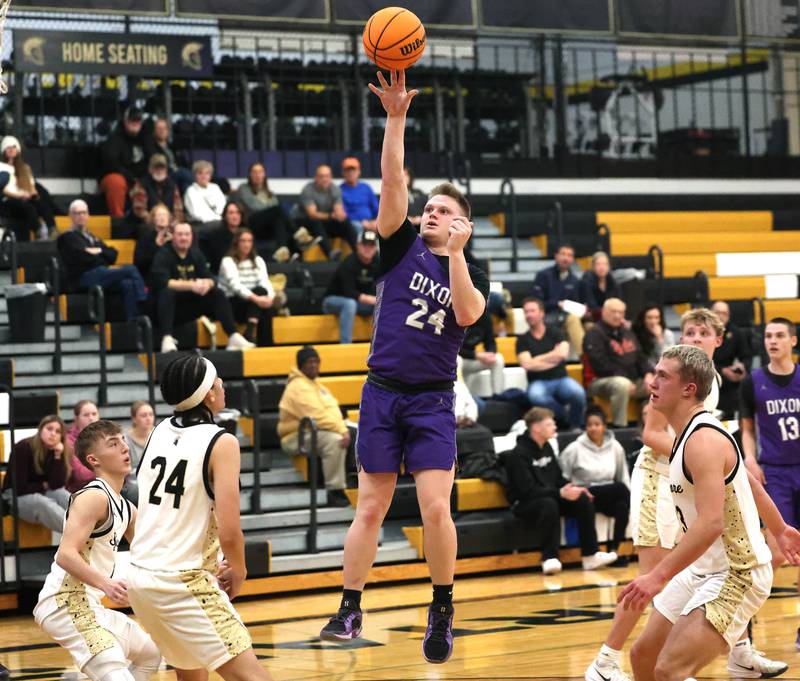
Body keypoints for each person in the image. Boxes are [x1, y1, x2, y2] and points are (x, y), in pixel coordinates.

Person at [319, 70, 489, 665]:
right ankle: (348, 605)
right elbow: (393, 179)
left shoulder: (471, 269)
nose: (431, 214)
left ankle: (441, 606)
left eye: (444, 210)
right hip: (382, 393)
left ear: (463, 222)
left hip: (433, 399)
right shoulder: (398, 244)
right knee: (370, 506)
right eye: (429, 208)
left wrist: (458, 253)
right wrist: (395, 116)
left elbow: (467, 314)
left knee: (437, 507)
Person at [586, 308, 788, 681]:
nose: (651, 383)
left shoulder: (703, 438)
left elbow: (716, 516)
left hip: (737, 569)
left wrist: (778, 528)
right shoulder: (689, 429)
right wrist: (781, 528)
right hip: (692, 542)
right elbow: (654, 435)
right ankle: (608, 658)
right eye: (688, 332)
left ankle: (734, 651)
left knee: (666, 662)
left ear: (688, 387)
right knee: (644, 656)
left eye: (661, 376)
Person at [126, 354, 273, 680]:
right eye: (217, 380)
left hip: (140, 577)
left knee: (191, 674)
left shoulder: (158, 430)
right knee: (254, 677)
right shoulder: (222, 442)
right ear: (208, 392)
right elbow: (230, 530)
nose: (223, 386)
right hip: (183, 580)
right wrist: (239, 569)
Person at [33, 420, 162, 681]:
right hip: (66, 602)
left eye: (123, 440)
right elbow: (65, 554)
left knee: (150, 655)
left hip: (90, 604)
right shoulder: (93, 497)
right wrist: (108, 584)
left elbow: (154, 553)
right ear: (94, 460)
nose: (124, 447)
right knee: (114, 669)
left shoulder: (126, 507)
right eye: (113, 444)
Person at [740, 318, 800, 648]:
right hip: (774, 470)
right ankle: (743, 620)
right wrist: (750, 458)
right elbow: (747, 428)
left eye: (779, 336)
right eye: (768, 336)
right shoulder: (754, 382)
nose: (772, 341)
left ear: (792, 340)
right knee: (775, 551)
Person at [503, 407, 618, 575]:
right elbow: (527, 492)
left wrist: (574, 488)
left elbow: (557, 479)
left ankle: (590, 555)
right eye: (550, 424)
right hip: (524, 503)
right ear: (535, 428)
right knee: (549, 504)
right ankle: (549, 557)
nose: (555, 427)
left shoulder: (547, 447)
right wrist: (559, 493)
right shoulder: (518, 455)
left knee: (582, 499)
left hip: (548, 497)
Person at [150, 222, 254, 353]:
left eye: (187, 234)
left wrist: (207, 284)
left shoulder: (196, 254)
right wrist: (192, 285)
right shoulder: (164, 254)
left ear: (192, 237)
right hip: (168, 309)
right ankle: (167, 338)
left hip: (190, 307)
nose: (184, 238)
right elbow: (164, 283)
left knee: (217, 293)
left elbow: (211, 278)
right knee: (167, 293)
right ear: (173, 237)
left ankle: (233, 335)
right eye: (180, 234)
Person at [277, 346, 350, 507]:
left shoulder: (317, 385)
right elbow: (315, 415)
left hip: (314, 431)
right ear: (301, 365)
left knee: (356, 431)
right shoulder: (297, 386)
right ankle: (335, 491)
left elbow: (332, 410)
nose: (314, 365)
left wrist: (343, 426)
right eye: (310, 362)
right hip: (296, 437)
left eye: (317, 361)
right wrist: (341, 429)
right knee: (335, 440)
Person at [57, 199, 147, 321]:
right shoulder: (67, 237)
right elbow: (82, 258)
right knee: (130, 269)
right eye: (77, 213)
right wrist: (100, 255)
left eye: (84, 212)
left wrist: (97, 251)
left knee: (128, 284)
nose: (81, 216)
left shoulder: (92, 237)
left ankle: (133, 323)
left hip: (100, 273)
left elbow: (113, 254)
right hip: (82, 278)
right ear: (70, 215)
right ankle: (143, 299)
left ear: (88, 215)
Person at [559, 405, 630, 556]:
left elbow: (622, 475)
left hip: (607, 497)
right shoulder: (574, 449)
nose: (593, 428)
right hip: (584, 496)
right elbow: (562, 476)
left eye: (597, 424)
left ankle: (614, 552)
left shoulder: (616, 447)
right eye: (589, 425)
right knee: (621, 489)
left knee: (622, 506)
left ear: (604, 427)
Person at [516, 297, 586, 430]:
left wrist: (536, 360)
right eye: (526, 312)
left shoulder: (556, 332)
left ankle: (576, 426)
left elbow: (562, 354)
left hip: (560, 379)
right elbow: (527, 365)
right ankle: (564, 415)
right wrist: (552, 357)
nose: (529, 315)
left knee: (578, 393)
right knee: (536, 396)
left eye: (532, 311)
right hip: (538, 381)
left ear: (542, 313)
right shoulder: (522, 340)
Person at [583, 298, 653, 428]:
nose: (617, 315)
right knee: (622, 385)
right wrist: (627, 380)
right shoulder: (594, 334)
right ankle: (619, 427)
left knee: (658, 384)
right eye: (613, 312)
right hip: (599, 381)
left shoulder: (627, 332)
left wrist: (648, 373)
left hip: (630, 380)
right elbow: (601, 365)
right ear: (604, 312)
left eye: (621, 312)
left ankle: (650, 427)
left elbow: (640, 357)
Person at [2, 415, 71, 532]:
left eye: (58, 432)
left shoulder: (55, 452)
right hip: (13, 498)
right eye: (49, 429)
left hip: (38, 492)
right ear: (40, 430)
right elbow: (19, 488)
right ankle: (80, 535)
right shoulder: (23, 447)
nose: (53, 434)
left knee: (62, 494)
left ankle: (94, 528)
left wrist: (58, 456)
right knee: (40, 502)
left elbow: (56, 484)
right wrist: (43, 485)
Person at [218, 228, 280, 346]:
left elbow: (265, 281)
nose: (246, 244)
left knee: (262, 294)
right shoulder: (227, 261)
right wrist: (257, 299)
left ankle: (252, 332)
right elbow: (235, 286)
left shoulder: (258, 260)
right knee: (260, 299)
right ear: (237, 243)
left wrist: (269, 299)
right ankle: (266, 342)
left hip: (253, 305)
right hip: (233, 304)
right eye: (243, 241)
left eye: (249, 241)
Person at [321, 229, 379, 344]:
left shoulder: (378, 262)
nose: (368, 249)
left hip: (360, 303)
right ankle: (346, 345)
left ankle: (380, 344)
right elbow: (348, 292)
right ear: (358, 246)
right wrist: (373, 299)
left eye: (371, 246)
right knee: (349, 304)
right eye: (365, 245)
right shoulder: (349, 263)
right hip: (333, 301)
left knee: (385, 305)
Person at [292, 164, 357, 259]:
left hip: (323, 223)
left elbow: (338, 210)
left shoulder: (335, 189)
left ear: (331, 177)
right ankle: (330, 253)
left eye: (327, 176)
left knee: (345, 222)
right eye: (321, 176)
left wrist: (340, 214)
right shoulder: (308, 189)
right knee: (315, 221)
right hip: (304, 224)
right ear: (316, 178)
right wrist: (332, 216)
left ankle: (359, 252)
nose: (324, 179)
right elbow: (312, 214)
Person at [231, 161, 291, 262]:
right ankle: (299, 234)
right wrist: (270, 211)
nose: (257, 175)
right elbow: (254, 206)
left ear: (264, 174)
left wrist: (270, 212)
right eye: (254, 172)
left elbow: (273, 213)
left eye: (260, 172)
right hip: (250, 222)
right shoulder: (244, 188)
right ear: (250, 175)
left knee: (279, 221)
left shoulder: (268, 192)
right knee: (278, 210)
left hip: (265, 228)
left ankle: (282, 252)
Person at [531, 243, 584, 355]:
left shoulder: (574, 280)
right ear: (556, 256)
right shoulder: (543, 275)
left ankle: (585, 358)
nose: (566, 258)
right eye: (563, 254)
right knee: (572, 320)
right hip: (546, 315)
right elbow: (536, 303)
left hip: (565, 317)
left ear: (573, 259)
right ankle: (585, 359)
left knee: (576, 320)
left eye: (569, 255)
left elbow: (576, 303)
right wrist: (557, 304)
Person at [0, 135, 55, 241]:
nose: (11, 150)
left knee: (41, 203)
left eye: (14, 147)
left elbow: (31, 186)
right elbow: (3, 190)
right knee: (27, 207)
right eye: (8, 147)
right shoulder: (1, 166)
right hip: (8, 200)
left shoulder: (25, 168)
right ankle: (39, 232)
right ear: (3, 150)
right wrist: (20, 195)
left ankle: (52, 229)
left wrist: (33, 195)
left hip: (24, 197)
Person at [98, 106, 147, 218]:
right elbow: (111, 164)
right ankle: (118, 220)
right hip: (119, 177)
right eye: (132, 120)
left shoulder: (146, 139)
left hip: (140, 179)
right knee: (116, 181)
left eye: (138, 120)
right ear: (125, 121)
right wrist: (131, 178)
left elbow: (153, 160)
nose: (135, 123)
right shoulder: (114, 139)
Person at [710, 299, 752, 419]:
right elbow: (700, 359)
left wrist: (742, 367)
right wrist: (722, 370)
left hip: (728, 384)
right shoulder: (703, 332)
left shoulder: (735, 332)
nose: (721, 316)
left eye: (724, 313)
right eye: (717, 312)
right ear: (711, 314)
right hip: (707, 378)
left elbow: (746, 356)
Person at [459, 307, 505, 398]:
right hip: (455, 360)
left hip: (470, 360)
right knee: (457, 360)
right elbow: (453, 348)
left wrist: (491, 353)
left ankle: (498, 397)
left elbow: (490, 342)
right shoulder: (457, 316)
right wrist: (477, 355)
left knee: (498, 359)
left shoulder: (485, 317)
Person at [143, 116, 193, 194]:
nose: (162, 131)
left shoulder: (171, 146)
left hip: (177, 173)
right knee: (185, 174)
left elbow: (183, 161)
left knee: (185, 185)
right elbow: (156, 160)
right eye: (159, 128)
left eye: (164, 128)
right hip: (163, 173)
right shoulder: (150, 146)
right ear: (154, 131)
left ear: (167, 131)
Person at [130, 153, 184, 223]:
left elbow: (178, 210)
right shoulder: (141, 184)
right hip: (146, 224)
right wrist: (157, 221)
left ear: (166, 170)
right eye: (156, 168)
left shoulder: (172, 185)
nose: (159, 170)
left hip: (169, 223)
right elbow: (139, 210)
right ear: (150, 169)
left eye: (162, 168)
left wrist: (172, 222)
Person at [122, 400, 155, 504]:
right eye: (143, 415)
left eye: (151, 414)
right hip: (133, 483)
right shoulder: (124, 439)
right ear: (134, 419)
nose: (148, 418)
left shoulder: (160, 435)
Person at [134, 203, 173, 289]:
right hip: (151, 276)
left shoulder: (174, 237)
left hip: (172, 275)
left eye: (165, 215)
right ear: (153, 219)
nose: (162, 218)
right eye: (159, 215)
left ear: (169, 218)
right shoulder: (145, 236)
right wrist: (157, 246)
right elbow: (140, 263)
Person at [201, 199, 246, 273]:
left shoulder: (245, 233)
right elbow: (218, 261)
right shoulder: (217, 234)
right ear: (225, 216)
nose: (235, 216)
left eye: (238, 213)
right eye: (231, 213)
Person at [66, 400, 100, 493]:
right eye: (86, 415)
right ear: (76, 419)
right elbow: (81, 475)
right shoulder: (68, 441)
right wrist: (107, 469)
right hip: (78, 491)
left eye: (94, 414)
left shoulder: (106, 436)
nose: (91, 418)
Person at [340, 156, 378, 234]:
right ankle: (359, 246)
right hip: (354, 222)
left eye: (353, 170)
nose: (350, 173)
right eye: (347, 170)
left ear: (359, 172)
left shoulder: (366, 187)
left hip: (371, 221)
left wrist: (375, 220)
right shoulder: (339, 190)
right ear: (343, 173)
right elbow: (343, 213)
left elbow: (375, 207)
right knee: (356, 227)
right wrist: (362, 222)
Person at [183, 160, 227, 229]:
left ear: (210, 175)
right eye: (200, 173)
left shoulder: (215, 187)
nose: (203, 176)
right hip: (200, 224)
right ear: (195, 175)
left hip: (219, 221)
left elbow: (223, 205)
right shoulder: (191, 191)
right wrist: (215, 220)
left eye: (207, 173)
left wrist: (219, 218)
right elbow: (196, 213)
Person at [579, 251, 622, 320]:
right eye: (598, 264)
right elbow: (592, 306)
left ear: (609, 267)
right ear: (593, 267)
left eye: (605, 264)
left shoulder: (613, 282)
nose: (602, 267)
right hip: (592, 318)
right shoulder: (587, 282)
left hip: (611, 318)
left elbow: (618, 303)